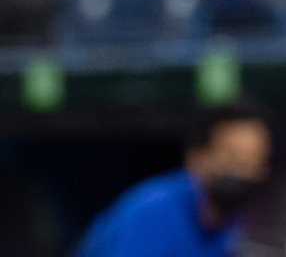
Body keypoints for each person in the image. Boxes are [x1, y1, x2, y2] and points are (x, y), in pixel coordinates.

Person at [74, 101, 272, 257]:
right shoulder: (155, 211)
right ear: (197, 155)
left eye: (254, 161)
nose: (242, 171)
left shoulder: (228, 222)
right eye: (233, 157)